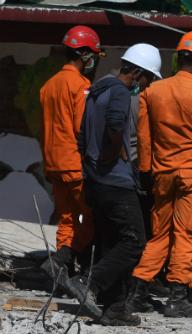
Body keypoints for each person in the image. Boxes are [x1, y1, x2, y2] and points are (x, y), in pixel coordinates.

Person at [128, 31, 192, 319]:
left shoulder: (152, 92)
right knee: (188, 236)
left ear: (179, 58)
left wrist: (146, 170)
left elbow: (144, 138)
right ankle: (177, 298)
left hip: (161, 174)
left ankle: (137, 292)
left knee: (159, 237)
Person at [58, 43, 163, 325]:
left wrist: (92, 167)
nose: (146, 85)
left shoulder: (97, 89)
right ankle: (88, 282)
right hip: (115, 182)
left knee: (111, 241)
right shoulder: (118, 91)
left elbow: (81, 137)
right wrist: (109, 160)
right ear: (137, 73)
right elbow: (116, 127)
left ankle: (113, 308)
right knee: (134, 241)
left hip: (96, 181)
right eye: (148, 78)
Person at [39, 25, 103, 279]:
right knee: (92, 217)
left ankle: (62, 268)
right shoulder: (80, 85)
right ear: (84, 53)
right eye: (93, 54)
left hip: (52, 163)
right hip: (74, 164)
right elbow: (82, 128)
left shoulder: (49, 85)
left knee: (66, 217)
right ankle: (67, 257)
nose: (93, 60)